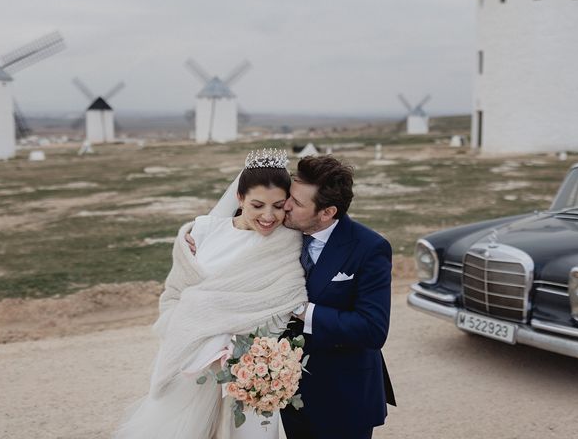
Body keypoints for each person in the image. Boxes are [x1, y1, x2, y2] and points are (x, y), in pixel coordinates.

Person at [114, 149, 308, 439]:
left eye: (278, 206)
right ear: (239, 199)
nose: (268, 216)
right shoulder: (204, 231)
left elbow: (283, 301)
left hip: (249, 368)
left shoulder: (288, 240)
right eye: (257, 205)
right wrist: (192, 332)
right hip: (193, 359)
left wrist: (245, 354)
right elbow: (179, 291)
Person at [279, 155, 396, 439]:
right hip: (287, 394)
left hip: (343, 399)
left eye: (297, 202)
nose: (285, 205)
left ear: (327, 212)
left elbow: (372, 329)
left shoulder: (370, 248)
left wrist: (302, 310)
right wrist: (196, 236)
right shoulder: (282, 229)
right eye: (289, 195)